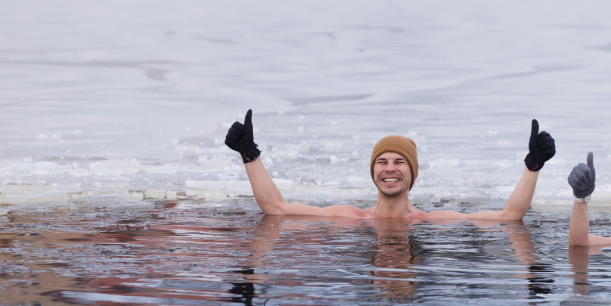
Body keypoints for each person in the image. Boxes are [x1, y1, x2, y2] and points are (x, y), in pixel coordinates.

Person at [225, 109, 556, 221]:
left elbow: (508, 216)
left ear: (412, 173)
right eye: (381, 162)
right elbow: (276, 208)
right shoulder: (351, 218)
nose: (390, 168)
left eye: (400, 162)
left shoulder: (432, 222)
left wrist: (533, 165)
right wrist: (250, 155)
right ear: (373, 172)